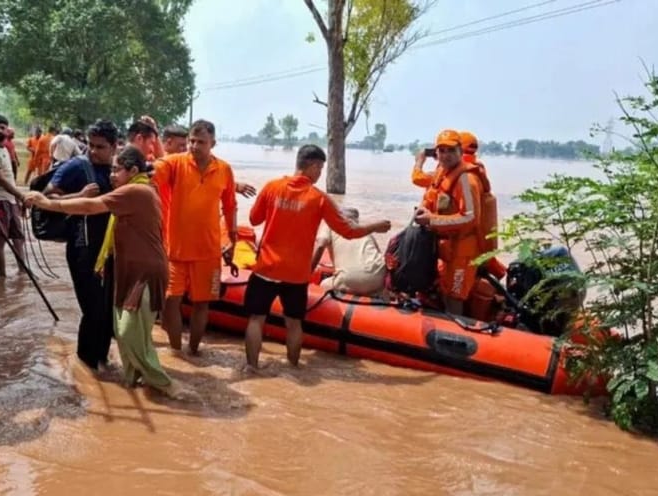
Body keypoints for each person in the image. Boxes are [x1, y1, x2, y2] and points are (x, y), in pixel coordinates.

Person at [25, 147, 192, 399]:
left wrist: (48, 203)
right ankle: (132, 379)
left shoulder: (136, 191)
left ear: (133, 171)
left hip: (143, 273)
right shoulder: (137, 190)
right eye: (112, 169)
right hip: (128, 272)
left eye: (117, 169)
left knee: (128, 332)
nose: (111, 174)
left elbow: (92, 206)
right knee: (126, 330)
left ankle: (165, 384)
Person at [245, 145, 391, 369]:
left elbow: (254, 220)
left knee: (256, 320)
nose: (320, 173)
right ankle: (294, 369)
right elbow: (348, 231)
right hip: (295, 275)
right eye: (320, 168)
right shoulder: (319, 199)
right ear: (313, 165)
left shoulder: (272, 187)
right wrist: (376, 226)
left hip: (266, 268)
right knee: (294, 324)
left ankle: (251, 368)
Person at [153, 119, 239, 355]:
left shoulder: (224, 170)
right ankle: (176, 351)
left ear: (213, 143)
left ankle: (194, 350)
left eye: (201, 142)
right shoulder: (174, 163)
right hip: (175, 251)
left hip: (209, 252)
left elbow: (230, 207)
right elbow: (154, 171)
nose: (194, 146)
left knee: (203, 304)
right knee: (171, 301)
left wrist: (232, 240)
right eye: (191, 140)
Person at [43, 119, 118, 371]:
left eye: (101, 147)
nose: (94, 151)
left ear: (114, 147)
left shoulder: (120, 170)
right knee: (93, 309)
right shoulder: (77, 166)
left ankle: (102, 361)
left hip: (111, 251)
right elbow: (48, 195)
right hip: (82, 249)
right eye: (91, 145)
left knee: (108, 311)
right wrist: (80, 196)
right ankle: (86, 369)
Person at [414, 129, 485, 315]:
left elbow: (470, 217)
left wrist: (432, 219)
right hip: (446, 248)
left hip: (462, 252)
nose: (445, 155)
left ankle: (454, 335)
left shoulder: (466, 180)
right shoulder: (442, 174)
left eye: (451, 150)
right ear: (436, 153)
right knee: (444, 292)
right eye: (442, 150)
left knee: (454, 297)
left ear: (461, 152)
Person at [0, 114, 27, 277]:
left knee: (18, 238)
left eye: (2, 128)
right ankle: (2, 275)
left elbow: (10, 178)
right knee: (1, 239)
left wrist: (17, 199)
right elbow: (0, 179)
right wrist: (21, 196)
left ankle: (22, 271)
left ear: (8, 130)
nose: (0, 130)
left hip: (10, 199)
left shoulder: (5, 149)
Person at [311, 207, 387, 296]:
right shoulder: (365, 231)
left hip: (351, 279)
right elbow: (378, 253)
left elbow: (320, 246)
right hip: (380, 277)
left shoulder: (330, 225)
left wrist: (308, 273)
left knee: (323, 285)